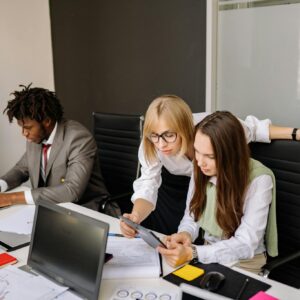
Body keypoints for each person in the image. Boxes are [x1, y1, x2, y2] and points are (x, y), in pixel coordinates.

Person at [120, 95, 299, 236]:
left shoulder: (213, 132)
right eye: (155, 135)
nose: (161, 144)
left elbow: (256, 129)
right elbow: (148, 185)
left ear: (185, 128)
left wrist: (295, 133)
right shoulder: (151, 143)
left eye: (168, 135)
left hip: (215, 186)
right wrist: (135, 217)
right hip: (178, 189)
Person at [158, 111, 277, 274]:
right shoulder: (199, 167)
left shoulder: (259, 180)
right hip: (207, 256)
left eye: (210, 156)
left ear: (232, 154)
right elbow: (192, 214)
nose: (199, 161)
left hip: (244, 263)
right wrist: (185, 234)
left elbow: (246, 243)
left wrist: (194, 252)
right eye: (197, 151)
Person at [0, 84, 109, 210]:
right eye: (22, 127)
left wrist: (10, 198)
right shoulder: (36, 137)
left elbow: (71, 190)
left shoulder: (78, 138)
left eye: (28, 127)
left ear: (46, 121)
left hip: (85, 209)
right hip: (50, 208)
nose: (24, 133)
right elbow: (21, 169)